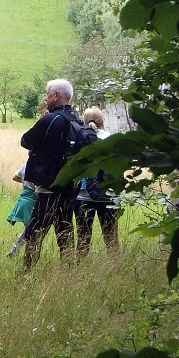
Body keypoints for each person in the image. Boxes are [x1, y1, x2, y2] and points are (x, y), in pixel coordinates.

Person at [20, 79, 97, 271]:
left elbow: (25, 140)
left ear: (56, 95)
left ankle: (25, 273)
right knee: (64, 226)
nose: (46, 98)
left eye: (47, 94)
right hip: (70, 186)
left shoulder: (51, 119)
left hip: (49, 186)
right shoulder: (77, 120)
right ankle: (68, 270)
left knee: (35, 231)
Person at [74, 107, 119, 255]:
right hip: (108, 196)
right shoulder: (112, 140)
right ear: (102, 122)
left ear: (84, 122)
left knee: (83, 238)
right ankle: (116, 267)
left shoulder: (79, 140)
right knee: (111, 238)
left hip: (83, 195)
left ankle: (80, 269)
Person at [5, 165, 36, 257]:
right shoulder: (39, 167)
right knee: (30, 229)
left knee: (28, 228)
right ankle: (15, 250)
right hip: (32, 199)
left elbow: (15, 177)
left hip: (23, 197)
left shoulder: (26, 166)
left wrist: (25, 183)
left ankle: (14, 250)